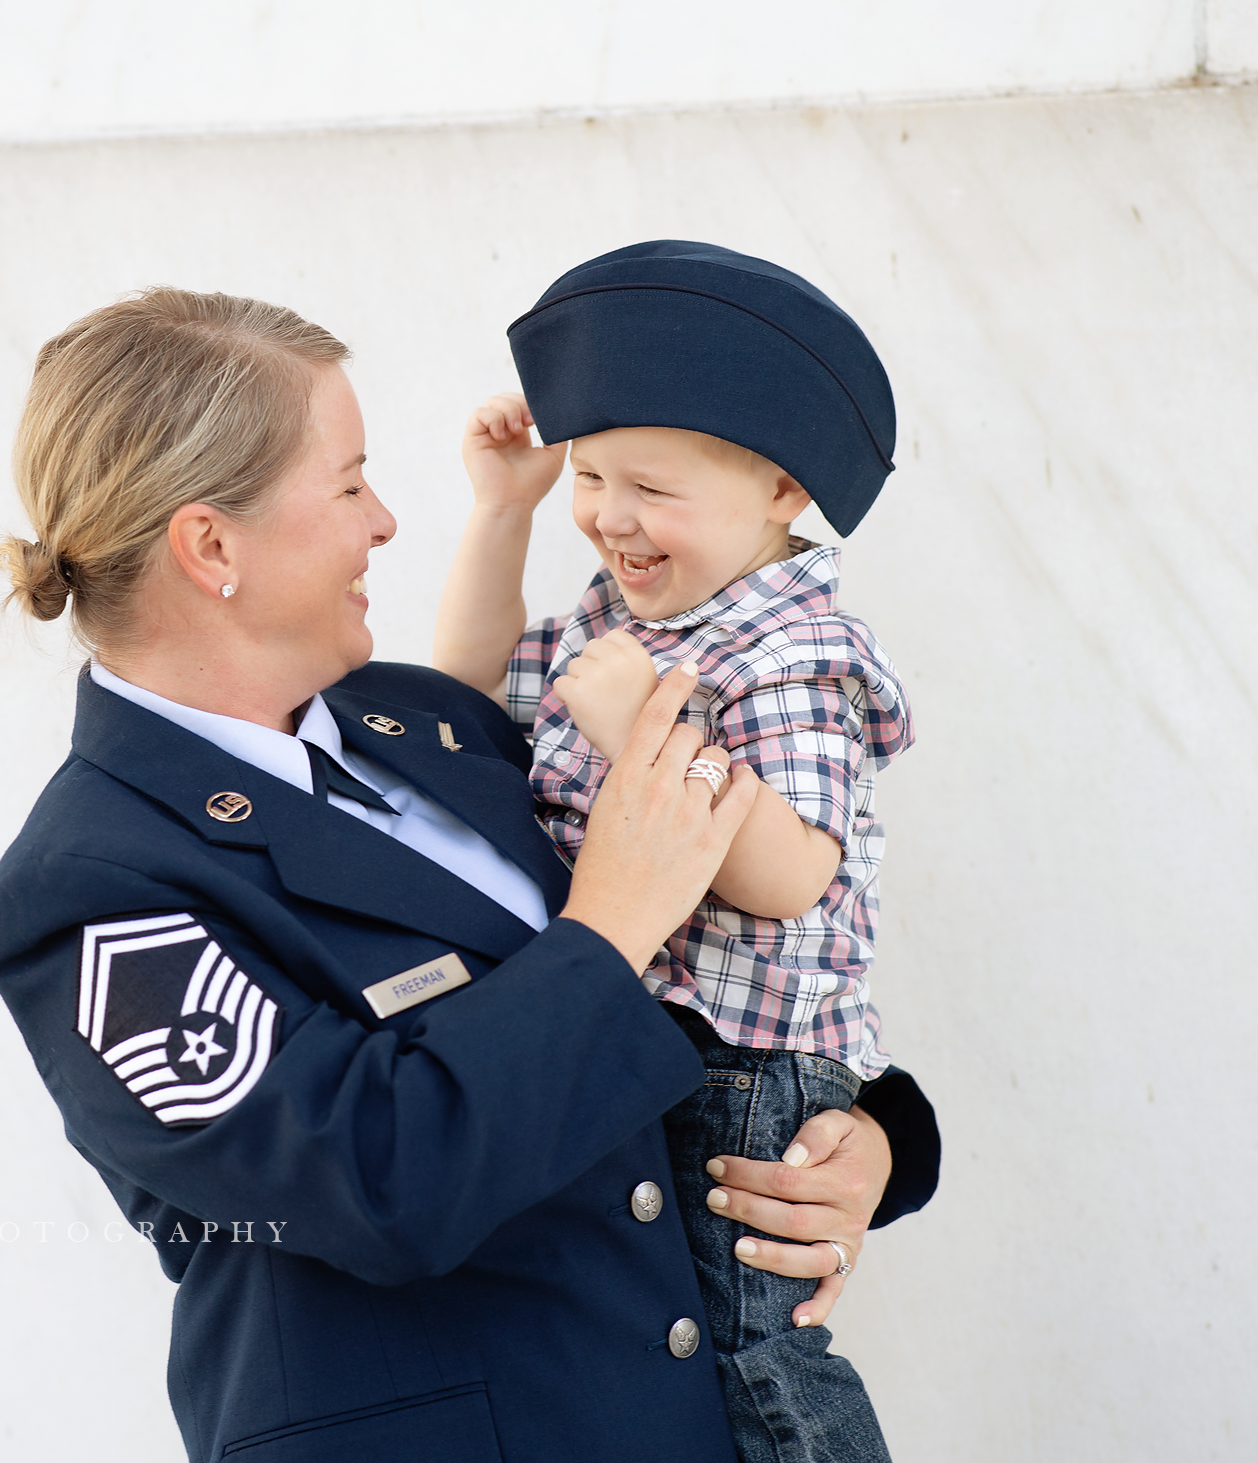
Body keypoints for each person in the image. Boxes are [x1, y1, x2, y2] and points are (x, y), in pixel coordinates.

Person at [0, 287, 939, 1463]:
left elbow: (703, 983)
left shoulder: (424, 721)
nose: (383, 522)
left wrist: (871, 1144)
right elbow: (377, 1178)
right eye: (345, 484)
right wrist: (610, 920)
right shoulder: (94, 883)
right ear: (210, 544)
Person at [433, 241, 918, 1461]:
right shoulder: (616, 618)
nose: (605, 515)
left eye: (647, 485)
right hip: (644, 1039)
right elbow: (462, 689)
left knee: (750, 1342)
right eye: (590, 475)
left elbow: (790, 870)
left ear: (775, 486)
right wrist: (505, 513)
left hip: (744, 1067)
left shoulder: (793, 650)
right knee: (660, 1348)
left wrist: (640, 723)